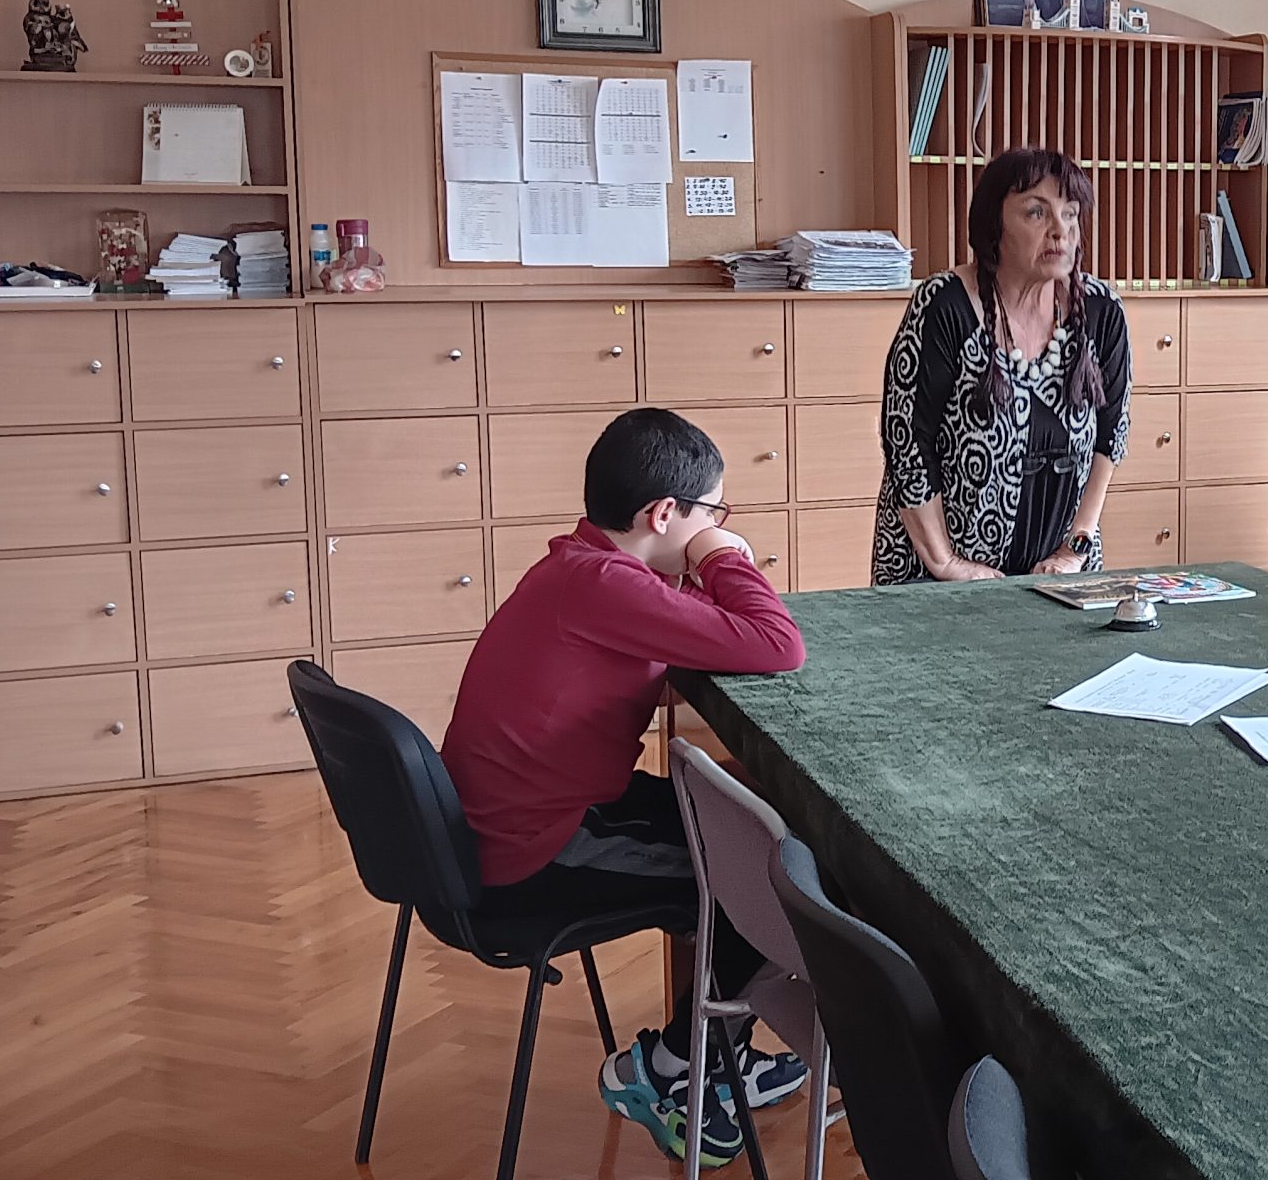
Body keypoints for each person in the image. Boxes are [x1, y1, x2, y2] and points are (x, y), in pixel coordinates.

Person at [438, 408, 810, 1168]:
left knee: (763, 835)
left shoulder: (586, 568)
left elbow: (702, 627)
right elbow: (779, 644)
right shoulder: (604, 584)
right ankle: (671, 1069)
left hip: (530, 817)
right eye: (712, 513)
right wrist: (721, 557)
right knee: (775, 880)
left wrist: (702, 565)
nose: (718, 529)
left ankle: (711, 1058)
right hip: (542, 847)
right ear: (663, 513)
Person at [873, 147, 1131, 583]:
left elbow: (1112, 436)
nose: (1060, 231)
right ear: (994, 225)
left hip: (1060, 573)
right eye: (1036, 213)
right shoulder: (945, 305)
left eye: (1070, 214)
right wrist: (944, 562)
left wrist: (1075, 549)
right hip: (937, 578)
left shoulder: (1101, 311)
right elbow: (907, 444)